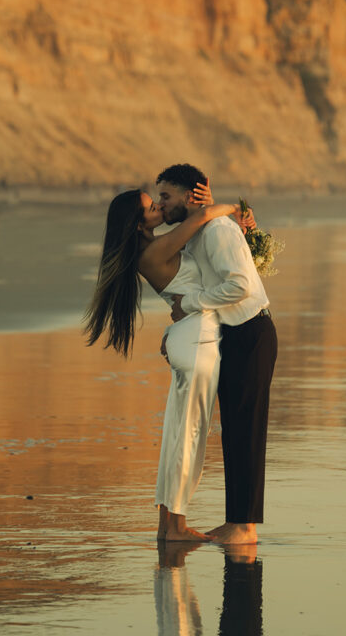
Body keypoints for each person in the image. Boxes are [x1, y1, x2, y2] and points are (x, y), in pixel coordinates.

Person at [83, 183, 253, 541]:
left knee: (180, 434)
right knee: (188, 437)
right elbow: (205, 216)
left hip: (189, 337)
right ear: (138, 224)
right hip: (196, 341)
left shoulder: (154, 249)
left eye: (157, 204)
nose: (159, 210)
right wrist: (232, 209)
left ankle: (170, 525)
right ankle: (174, 525)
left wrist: (242, 223)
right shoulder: (158, 248)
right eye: (151, 209)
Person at [157, 163, 278, 547]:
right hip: (236, 333)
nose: (160, 206)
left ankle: (244, 527)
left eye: (165, 196)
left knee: (247, 430)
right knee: (237, 432)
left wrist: (188, 304)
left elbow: (240, 286)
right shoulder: (199, 233)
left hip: (250, 331)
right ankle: (238, 522)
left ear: (191, 195)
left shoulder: (216, 230)